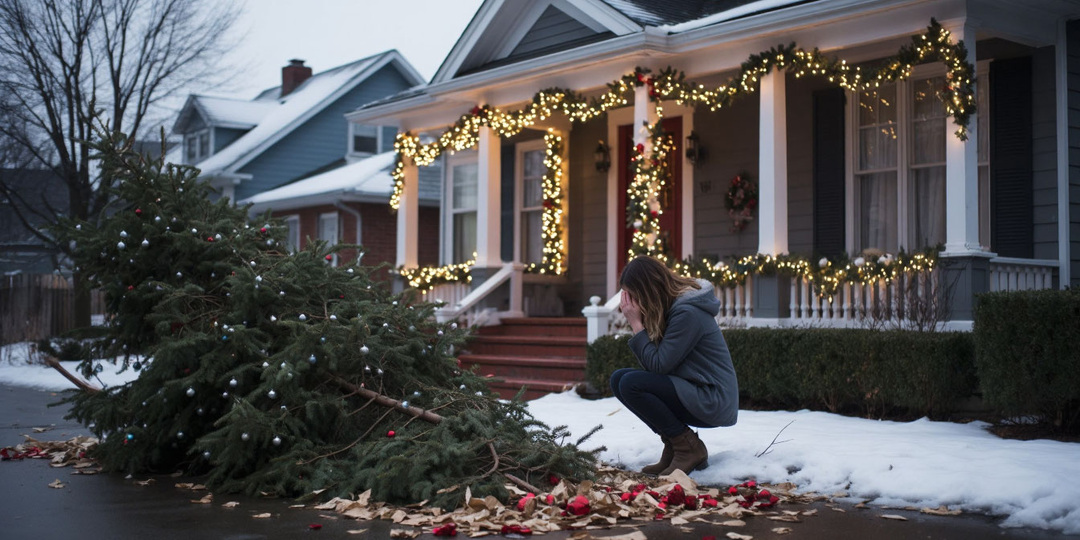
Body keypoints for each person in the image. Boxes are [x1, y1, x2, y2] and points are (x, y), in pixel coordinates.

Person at [610, 255, 738, 476]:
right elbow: (656, 366)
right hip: (692, 389)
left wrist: (636, 324)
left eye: (634, 295)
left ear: (648, 290)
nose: (630, 302)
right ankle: (674, 444)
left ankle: (688, 448)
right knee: (619, 379)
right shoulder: (671, 309)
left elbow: (659, 366)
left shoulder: (687, 313)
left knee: (631, 383)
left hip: (711, 398)